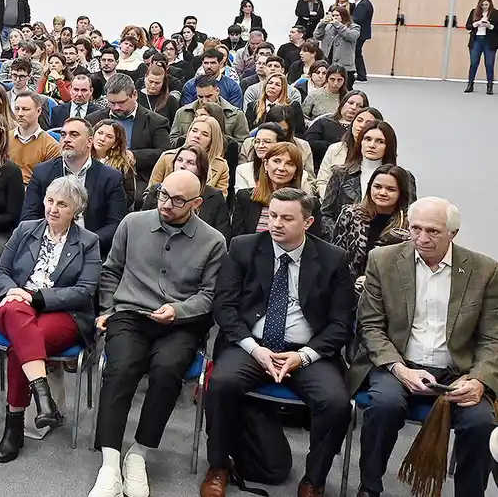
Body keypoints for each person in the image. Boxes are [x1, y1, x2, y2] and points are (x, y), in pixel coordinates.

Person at [200, 188, 354, 497]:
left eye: (286, 218)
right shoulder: (243, 247)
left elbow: (341, 323)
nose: (276, 224)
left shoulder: (332, 259)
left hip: (307, 352)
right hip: (252, 345)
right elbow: (224, 307)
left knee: (336, 403)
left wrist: (305, 356)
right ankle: (218, 465)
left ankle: (314, 480)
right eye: (272, 216)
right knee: (220, 383)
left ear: (307, 222)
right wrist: (255, 349)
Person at [88, 170, 225, 497]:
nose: (167, 204)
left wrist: (179, 310)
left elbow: (209, 294)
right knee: (121, 369)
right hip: (130, 313)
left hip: (179, 322)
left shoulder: (213, 241)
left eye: (178, 200)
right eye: (163, 194)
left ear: (197, 203)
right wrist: (108, 309)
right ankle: (110, 461)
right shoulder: (133, 223)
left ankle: (140, 452)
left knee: (167, 371)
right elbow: (111, 271)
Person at [350, 198, 498, 497]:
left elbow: (492, 338)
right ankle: (369, 488)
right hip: (398, 362)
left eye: (433, 231)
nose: (421, 238)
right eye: (415, 229)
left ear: (452, 234)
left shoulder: (484, 270)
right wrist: (400, 369)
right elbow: (371, 327)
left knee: (482, 423)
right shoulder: (383, 260)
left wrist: (479, 379)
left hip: (457, 370)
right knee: (384, 407)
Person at [0, 175, 101, 461]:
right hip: (13, 303)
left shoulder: (88, 242)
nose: (53, 208)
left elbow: (85, 291)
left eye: (62, 204)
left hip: (61, 312)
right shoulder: (25, 229)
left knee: (20, 344)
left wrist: (37, 297)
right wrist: (15, 292)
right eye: (50, 201)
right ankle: (43, 398)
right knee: (17, 314)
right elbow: (0, 273)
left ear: (76, 211)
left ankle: (13, 426)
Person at [23, 117, 128, 253]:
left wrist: (86, 244)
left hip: (90, 249)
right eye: (63, 135)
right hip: (46, 246)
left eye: (74, 135)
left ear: (90, 142)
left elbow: (115, 224)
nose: (66, 139)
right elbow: (28, 216)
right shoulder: (42, 171)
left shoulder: (110, 177)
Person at [329, 164, 412, 283]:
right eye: (377, 187)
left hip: (390, 289)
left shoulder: (408, 222)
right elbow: (336, 257)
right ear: (369, 188)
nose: (383, 193)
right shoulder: (350, 214)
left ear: (401, 193)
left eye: (391, 189)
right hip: (350, 287)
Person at [322, 120, 413, 225]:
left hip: (388, 237)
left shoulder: (405, 177)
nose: (372, 145)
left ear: (389, 146)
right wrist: (338, 237)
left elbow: (409, 215)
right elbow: (326, 214)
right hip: (345, 236)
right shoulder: (340, 174)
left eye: (380, 141)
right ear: (360, 142)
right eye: (367, 139)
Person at [86, 75, 171, 181]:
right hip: (95, 176)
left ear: (134, 95)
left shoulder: (156, 122)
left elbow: (165, 152)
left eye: (121, 102)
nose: (116, 107)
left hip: (138, 179)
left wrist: (134, 156)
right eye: (112, 103)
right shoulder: (93, 119)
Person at [228, 142, 309, 237]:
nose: (281, 168)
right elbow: (237, 241)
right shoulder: (245, 198)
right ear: (266, 164)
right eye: (277, 161)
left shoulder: (308, 204)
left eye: (290, 164)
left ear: (296, 171)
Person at [304, 90, 369, 170]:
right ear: (343, 103)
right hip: (321, 166)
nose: (354, 108)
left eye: (359, 106)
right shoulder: (324, 121)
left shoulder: (364, 127)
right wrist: (336, 148)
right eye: (350, 103)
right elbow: (309, 143)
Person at [10, 92, 59, 184]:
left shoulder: (51, 146)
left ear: (38, 111)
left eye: (25, 109)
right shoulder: (4, 139)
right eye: (17, 109)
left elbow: (49, 182)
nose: (20, 114)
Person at [91, 119, 137, 205]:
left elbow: (129, 196)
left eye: (109, 136)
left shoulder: (123, 164)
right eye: (100, 133)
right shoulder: (81, 157)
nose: (102, 139)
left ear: (115, 143)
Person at [464, 0, 496, 94]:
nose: (484, 7)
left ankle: (490, 86)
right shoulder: (474, 12)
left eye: (486, 5)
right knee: (473, 63)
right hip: (476, 40)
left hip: (489, 41)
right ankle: (470, 84)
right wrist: (475, 24)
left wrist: (490, 26)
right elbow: (468, 26)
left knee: (489, 64)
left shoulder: (496, 13)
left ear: (490, 4)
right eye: (482, 5)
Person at [314, 5, 361, 72]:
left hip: (345, 66)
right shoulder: (328, 26)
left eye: (337, 15)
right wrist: (322, 24)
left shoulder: (353, 27)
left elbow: (351, 36)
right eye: (333, 16)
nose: (335, 18)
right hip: (328, 63)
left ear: (343, 16)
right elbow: (317, 36)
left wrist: (337, 24)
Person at [351, 0, 374, 82]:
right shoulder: (366, 3)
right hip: (363, 33)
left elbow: (357, 19)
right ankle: (361, 74)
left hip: (360, 33)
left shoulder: (363, 4)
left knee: (356, 53)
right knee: (357, 53)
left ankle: (361, 75)